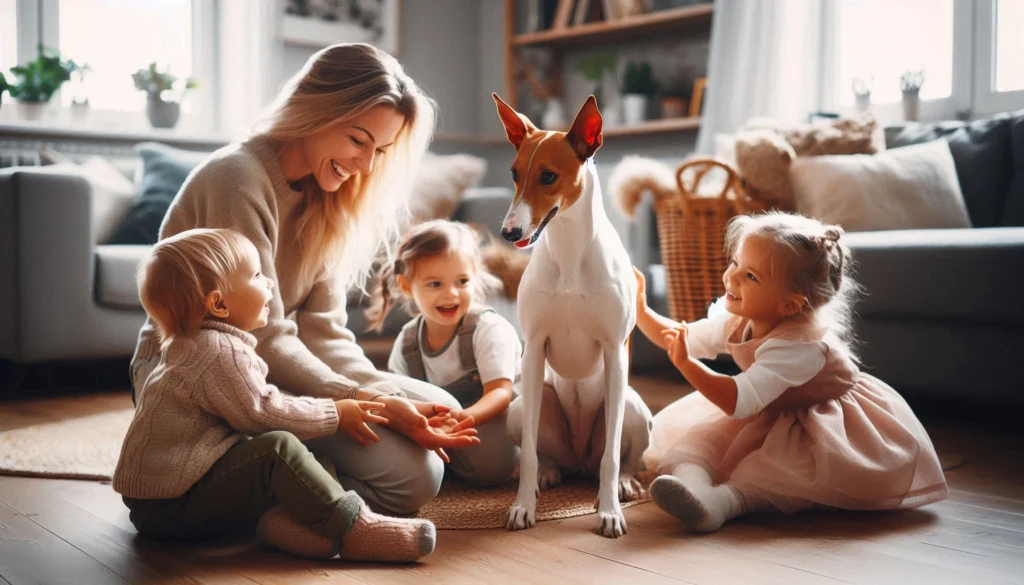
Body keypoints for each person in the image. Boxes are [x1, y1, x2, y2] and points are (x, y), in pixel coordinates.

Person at [129, 43, 477, 517]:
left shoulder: (329, 195)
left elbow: (325, 330)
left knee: (452, 420)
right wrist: (360, 401)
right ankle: (303, 497)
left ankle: (316, 474)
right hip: (209, 377)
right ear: (315, 110)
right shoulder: (237, 179)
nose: (367, 165)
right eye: (358, 140)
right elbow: (261, 337)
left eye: (380, 149)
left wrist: (383, 394)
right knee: (415, 477)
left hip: (272, 366)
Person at [115, 228, 436, 561]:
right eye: (256, 275)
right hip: (170, 507)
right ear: (219, 303)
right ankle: (356, 529)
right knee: (278, 449)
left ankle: (284, 525)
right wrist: (336, 412)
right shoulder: (217, 351)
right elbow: (262, 414)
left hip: (163, 503)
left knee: (313, 464)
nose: (269, 282)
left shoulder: (200, 343)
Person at [634, 211, 948, 533]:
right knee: (699, 446)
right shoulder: (741, 317)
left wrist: (686, 364)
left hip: (817, 425)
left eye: (750, 276)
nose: (732, 277)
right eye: (735, 263)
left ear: (789, 305)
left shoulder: (799, 348)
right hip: (766, 409)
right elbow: (681, 336)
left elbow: (738, 400)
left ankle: (723, 504)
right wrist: (640, 310)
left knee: (776, 475)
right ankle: (692, 490)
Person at [367, 220, 521, 486]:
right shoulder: (407, 341)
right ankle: (440, 467)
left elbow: (500, 393)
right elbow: (403, 399)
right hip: (440, 434)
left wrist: (462, 418)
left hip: (492, 432)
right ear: (406, 286)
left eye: (462, 281)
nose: (451, 294)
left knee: (492, 462)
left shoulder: (487, 329)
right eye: (435, 284)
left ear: (474, 275)